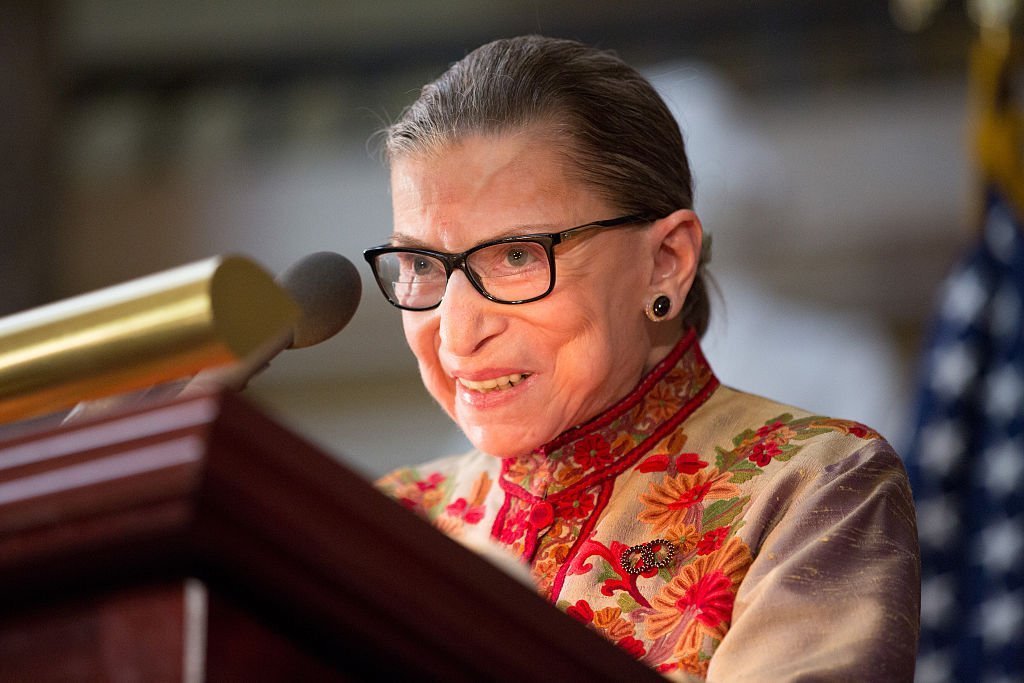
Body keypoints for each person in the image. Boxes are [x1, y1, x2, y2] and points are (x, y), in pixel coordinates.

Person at [365, 35, 920, 681]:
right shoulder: (390, 518)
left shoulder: (812, 489)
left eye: (516, 255)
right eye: (422, 264)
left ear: (666, 262)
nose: (457, 333)